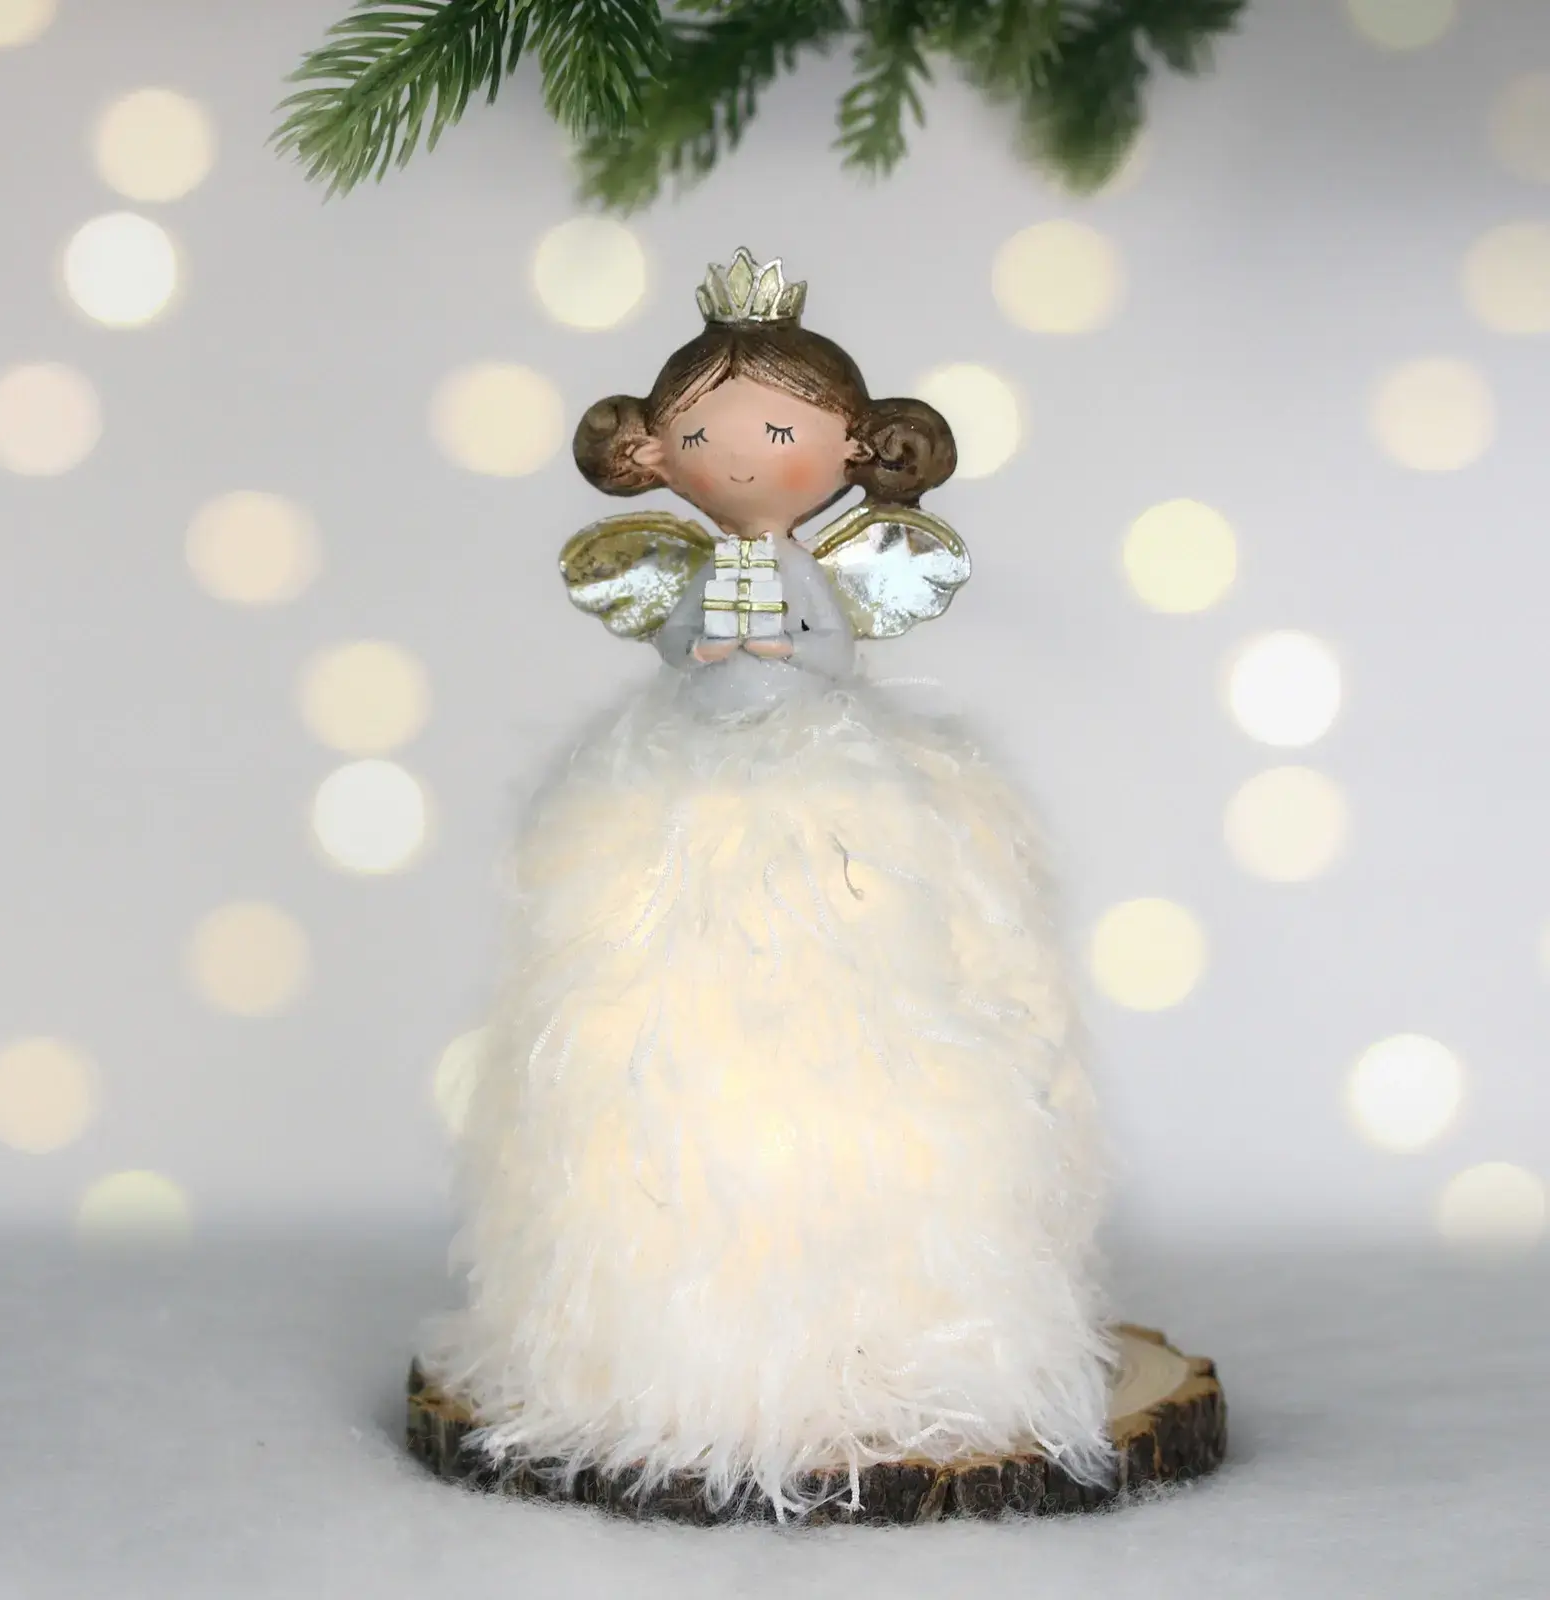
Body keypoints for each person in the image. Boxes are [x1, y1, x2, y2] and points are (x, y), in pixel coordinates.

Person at [422, 249, 1111, 1518]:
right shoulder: (688, 582)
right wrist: (707, 638)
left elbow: (829, 649)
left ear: (853, 446)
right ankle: (660, 1338)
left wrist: (776, 639)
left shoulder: (811, 573)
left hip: (811, 762)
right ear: (654, 453)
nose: (740, 457)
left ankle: (866, 1334)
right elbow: (680, 637)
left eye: (781, 432)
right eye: (701, 435)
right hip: (692, 766)